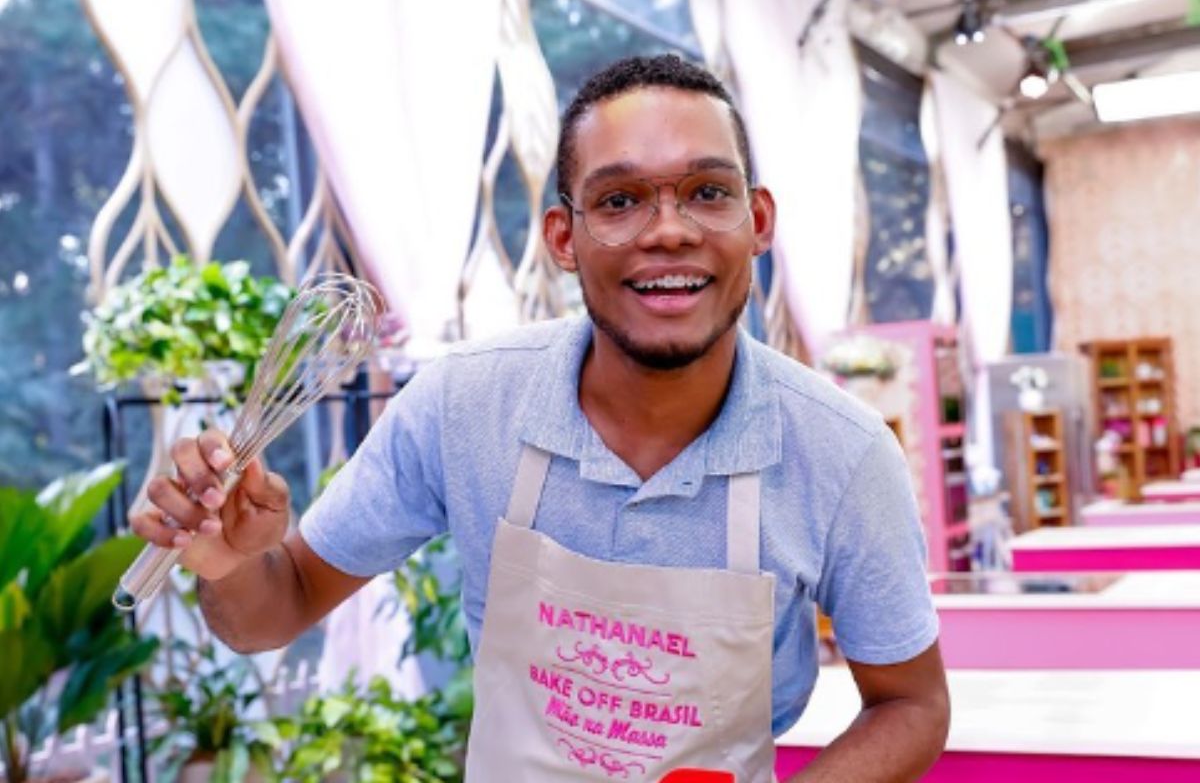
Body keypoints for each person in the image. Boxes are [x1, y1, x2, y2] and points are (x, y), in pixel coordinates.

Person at [133, 54, 949, 782]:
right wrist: (231, 564)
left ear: (758, 221)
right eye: (621, 199)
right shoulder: (463, 408)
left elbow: (911, 705)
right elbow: (278, 607)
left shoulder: (841, 455)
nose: (669, 231)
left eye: (707, 192)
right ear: (563, 236)